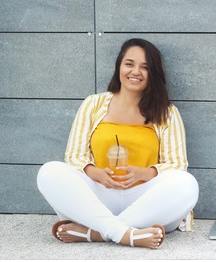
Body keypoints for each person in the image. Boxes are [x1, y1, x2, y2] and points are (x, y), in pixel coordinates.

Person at [37, 38, 199, 249]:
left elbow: (177, 164)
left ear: (154, 74)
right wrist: (95, 173)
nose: (135, 72)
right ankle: (125, 234)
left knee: (187, 184)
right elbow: (74, 156)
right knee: (49, 172)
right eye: (129, 64)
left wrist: (144, 173)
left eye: (145, 67)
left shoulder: (167, 113)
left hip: (144, 200)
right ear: (119, 67)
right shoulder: (93, 104)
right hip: (99, 195)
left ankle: (98, 232)